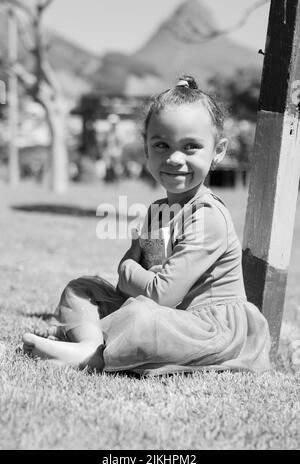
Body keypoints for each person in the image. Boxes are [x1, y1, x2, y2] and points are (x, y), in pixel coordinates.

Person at [22, 75, 271, 376]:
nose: (175, 158)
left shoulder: (208, 217)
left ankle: (97, 355)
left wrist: (131, 273)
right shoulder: (157, 210)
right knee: (83, 289)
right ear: (146, 149)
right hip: (167, 312)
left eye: (191, 146)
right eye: (162, 145)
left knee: (141, 316)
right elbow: (136, 273)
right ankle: (89, 347)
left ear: (217, 151)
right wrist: (135, 275)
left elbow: (155, 290)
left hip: (207, 326)